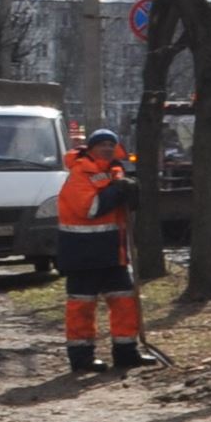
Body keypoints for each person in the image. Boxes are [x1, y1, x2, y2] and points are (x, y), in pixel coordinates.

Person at [53, 128, 148, 376]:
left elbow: (122, 209)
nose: (107, 148)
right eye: (102, 144)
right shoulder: (80, 174)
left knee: (125, 301)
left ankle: (127, 353)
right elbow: (91, 208)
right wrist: (118, 191)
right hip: (83, 254)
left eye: (111, 144)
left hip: (112, 253)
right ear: (91, 148)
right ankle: (82, 358)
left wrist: (131, 195)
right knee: (82, 307)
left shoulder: (114, 172)